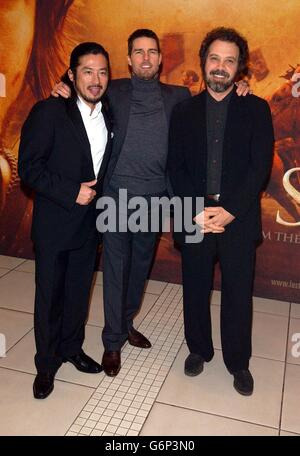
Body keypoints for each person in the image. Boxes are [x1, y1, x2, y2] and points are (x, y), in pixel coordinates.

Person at [52, 29, 250, 378]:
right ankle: (112, 341)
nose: (145, 58)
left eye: (152, 51)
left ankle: (126, 323)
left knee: (139, 268)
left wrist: (244, 87)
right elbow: (83, 85)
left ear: (161, 58)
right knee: (115, 269)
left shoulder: (180, 96)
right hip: (116, 195)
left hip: (156, 197)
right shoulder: (113, 90)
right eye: (138, 52)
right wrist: (61, 86)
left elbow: (220, 103)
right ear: (128, 59)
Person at [168, 27, 274, 396]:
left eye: (229, 61)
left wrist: (229, 209)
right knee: (195, 287)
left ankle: (238, 361)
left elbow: (259, 166)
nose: (220, 66)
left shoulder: (257, 109)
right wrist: (196, 210)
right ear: (204, 62)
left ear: (238, 68)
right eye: (214, 58)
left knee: (237, 292)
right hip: (194, 215)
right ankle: (198, 349)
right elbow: (174, 167)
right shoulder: (183, 112)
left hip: (238, 218)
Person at [18, 42, 112, 399]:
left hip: (90, 226)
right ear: (71, 75)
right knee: (50, 298)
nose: (96, 79)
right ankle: (46, 364)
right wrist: (72, 190)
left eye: (102, 71)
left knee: (78, 294)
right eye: (87, 71)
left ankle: (72, 348)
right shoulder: (49, 111)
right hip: (56, 224)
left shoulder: (110, 112)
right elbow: (29, 168)